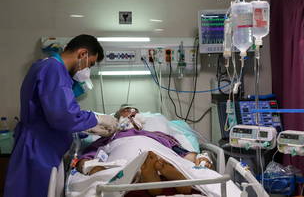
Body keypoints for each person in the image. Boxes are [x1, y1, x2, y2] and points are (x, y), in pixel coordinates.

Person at [4, 34, 118, 197]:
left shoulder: (46, 66)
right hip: (39, 149)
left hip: (38, 143)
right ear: (82, 54)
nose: (87, 70)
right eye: (90, 64)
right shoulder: (54, 69)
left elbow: (50, 112)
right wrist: (96, 119)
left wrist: (87, 127)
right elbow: (63, 116)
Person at [75, 105, 213, 196]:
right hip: (125, 158)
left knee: (177, 163)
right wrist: (92, 168)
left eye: (136, 112)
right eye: (127, 110)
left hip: (159, 153)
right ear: (117, 117)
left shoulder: (158, 134)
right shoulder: (108, 137)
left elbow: (182, 153)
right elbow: (87, 159)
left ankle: (161, 172)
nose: (132, 113)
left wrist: (201, 159)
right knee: (123, 171)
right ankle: (158, 176)